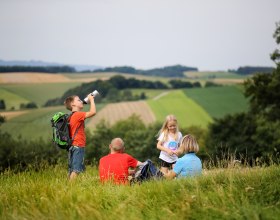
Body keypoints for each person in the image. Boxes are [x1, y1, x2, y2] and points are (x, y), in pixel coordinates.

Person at [64, 94, 96, 181]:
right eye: (78, 100)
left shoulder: (71, 116)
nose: (81, 101)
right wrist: (91, 100)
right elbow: (93, 112)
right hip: (78, 145)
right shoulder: (77, 115)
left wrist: (84, 101)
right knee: (76, 170)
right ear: (73, 105)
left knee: (71, 170)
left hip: (72, 146)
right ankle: (70, 190)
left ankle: (66, 187)